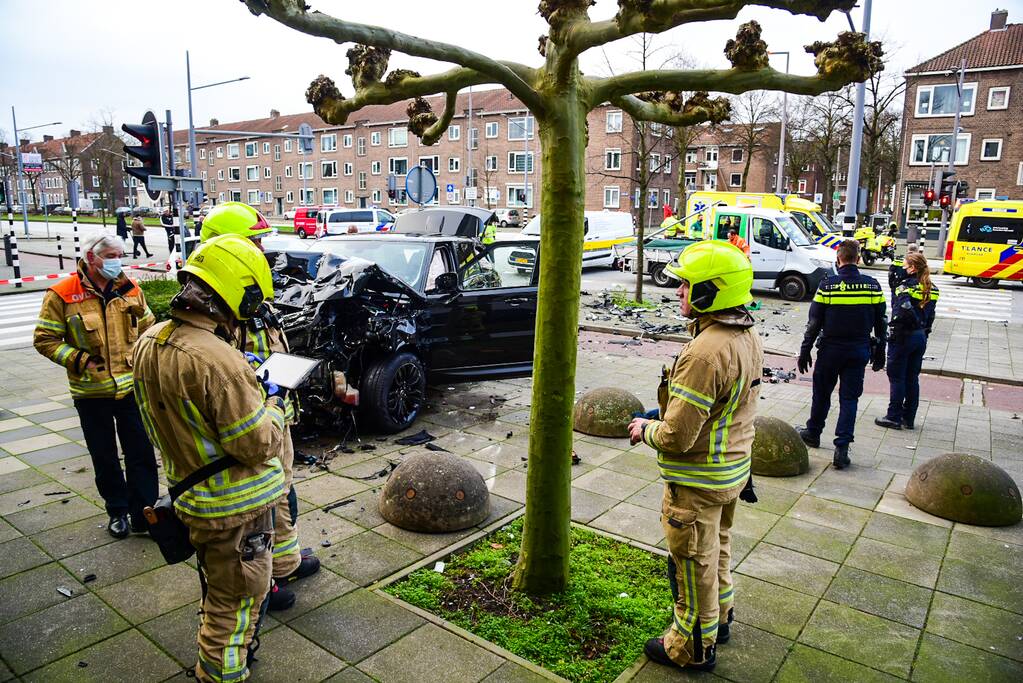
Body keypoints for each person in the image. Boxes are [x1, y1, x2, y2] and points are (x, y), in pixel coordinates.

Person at [133, 234, 286, 683]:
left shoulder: (151, 340)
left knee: (217, 586)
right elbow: (255, 444)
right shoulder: (219, 360)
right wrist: (273, 405)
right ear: (238, 294)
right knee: (236, 600)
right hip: (236, 507)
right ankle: (220, 675)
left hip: (193, 497)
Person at [627, 241, 763, 672]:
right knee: (717, 550)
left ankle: (690, 648)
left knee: (691, 563)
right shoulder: (745, 334)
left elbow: (677, 437)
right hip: (730, 472)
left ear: (712, 292)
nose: (679, 292)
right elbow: (720, 407)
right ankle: (720, 618)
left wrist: (645, 428)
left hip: (697, 481)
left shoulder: (705, 352)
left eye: (687, 286)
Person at [199, 202, 320, 609]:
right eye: (254, 242)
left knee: (283, 494)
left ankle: (284, 564)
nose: (262, 251)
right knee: (262, 505)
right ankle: (261, 580)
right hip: (251, 424)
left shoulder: (249, 297)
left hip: (274, 416)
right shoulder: (216, 311)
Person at [33, 233, 159, 538]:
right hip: (91, 392)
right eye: (112, 256)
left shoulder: (129, 289)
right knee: (103, 456)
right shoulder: (62, 293)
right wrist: (79, 359)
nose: (119, 262)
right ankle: (117, 511)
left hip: (130, 388)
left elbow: (149, 327)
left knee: (141, 452)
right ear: (92, 257)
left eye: (120, 255)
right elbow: (44, 340)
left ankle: (145, 513)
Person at [797, 239, 887, 469]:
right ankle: (842, 448)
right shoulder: (873, 286)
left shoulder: (828, 286)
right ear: (858, 259)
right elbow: (881, 323)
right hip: (858, 350)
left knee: (822, 393)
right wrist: (880, 354)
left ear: (838, 259)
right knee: (849, 399)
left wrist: (805, 350)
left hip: (830, 350)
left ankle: (813, 432)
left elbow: (814, 322)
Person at [876, 252, 938, 431]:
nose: (901, 268)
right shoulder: (932, 288)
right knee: (912, 378)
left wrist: (908, 325)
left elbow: (903, 308)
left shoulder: (904, 287)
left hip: (904, 336)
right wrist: (923, 329)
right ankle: (908, 417)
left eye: (904, 265)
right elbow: (931, 315)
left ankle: (893, 416)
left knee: (896, 377)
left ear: (912, 268)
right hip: (920, 337)